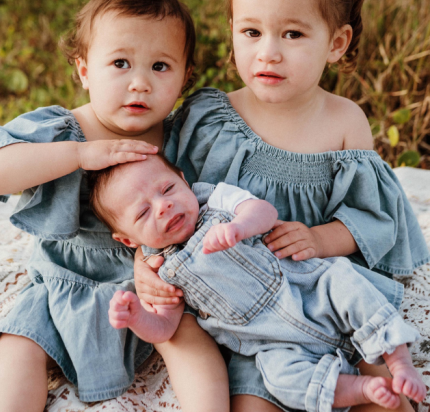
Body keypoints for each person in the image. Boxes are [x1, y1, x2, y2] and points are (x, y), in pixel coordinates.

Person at [145, 0, 430, 411]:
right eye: (252, 32)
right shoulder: (210, 118)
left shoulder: (343, 122)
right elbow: (163, 197)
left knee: (388, 396)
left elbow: (373, 218)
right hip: (244, 312)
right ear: (233, 29)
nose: (268, 53)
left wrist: (319, 239)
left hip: (323, 292)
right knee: (258, 401)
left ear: (336, 43)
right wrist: (145, 264)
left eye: (292, 34)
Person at [0, 0, 229, 411]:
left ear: (185, 76)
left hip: (159, 277)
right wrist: (77, 154)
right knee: (19, 344)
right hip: (67, 275)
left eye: (160, 67)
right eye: (121, 63)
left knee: (188, 341)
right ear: (85, 69)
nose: (140, 83)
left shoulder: (180, 136)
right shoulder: (65, 130)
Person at [92, 155, 426, 410]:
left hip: (309, 290)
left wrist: (241, 226)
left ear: (184, 180)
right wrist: (137, 318)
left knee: (347, 283)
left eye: (168, 189)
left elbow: (263, 211)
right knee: (280, 378)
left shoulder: (217, 202)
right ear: (127, 241)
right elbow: (165, 327)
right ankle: (359, 390)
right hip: (273, 343)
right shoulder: (161, 269)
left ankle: (400, 363)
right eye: (143, 213)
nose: (163, 205)